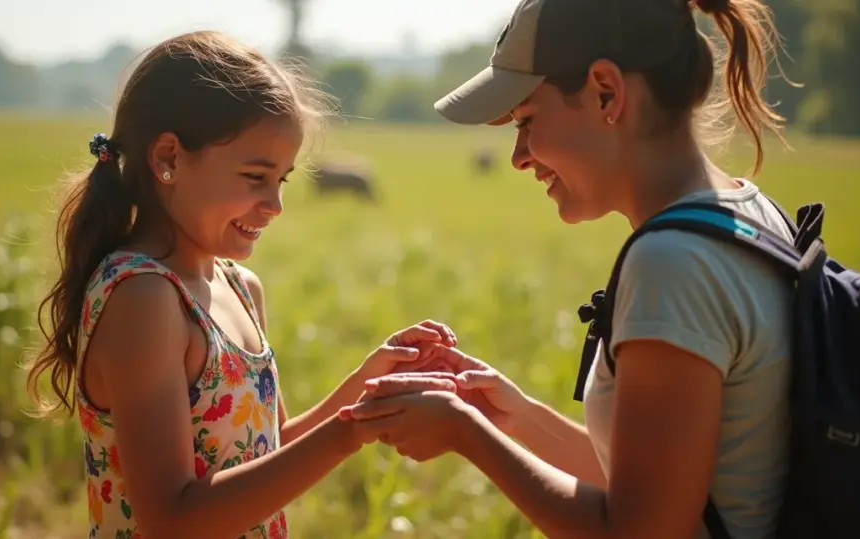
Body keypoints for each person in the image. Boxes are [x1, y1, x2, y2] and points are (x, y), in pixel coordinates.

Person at [340, 0, 797, 537]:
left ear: (606, 91)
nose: (517, 156)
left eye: (527, 120)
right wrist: (515, 418)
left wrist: (466, 434)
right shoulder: (752, 215)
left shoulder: (672, 262)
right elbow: (661, 486)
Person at [24, 31, 459, 539]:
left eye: (283, 180)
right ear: (168, 158)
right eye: (256, 177)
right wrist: (347, 433)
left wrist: (366, 387)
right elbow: (172, 518)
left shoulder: (240, 286)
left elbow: (266, 452)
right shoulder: (144, 298)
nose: (275, 204)